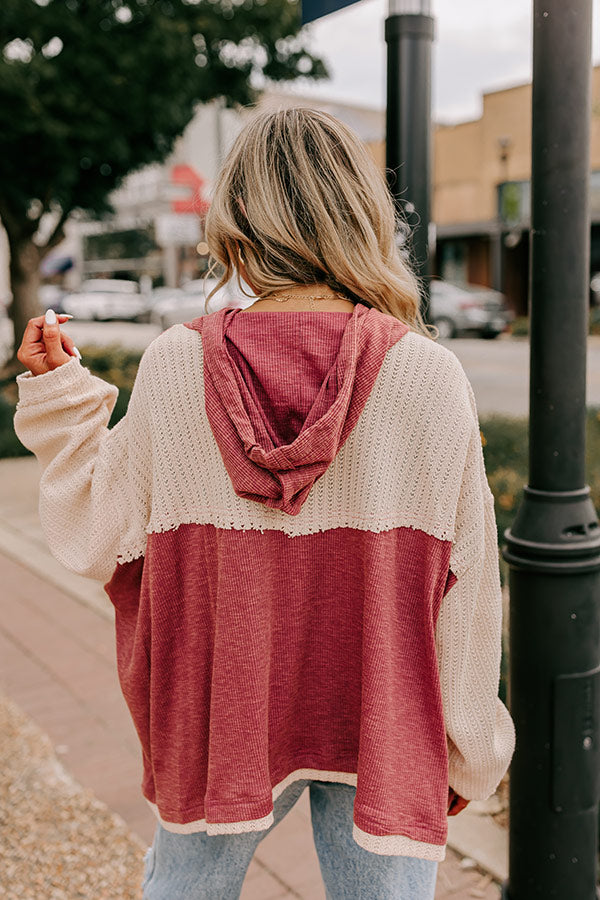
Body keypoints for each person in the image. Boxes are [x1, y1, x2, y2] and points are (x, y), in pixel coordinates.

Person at [13, 107, 515, 900]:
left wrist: (61, 397)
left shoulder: (178, 366)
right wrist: (469, 751)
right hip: (384, 715)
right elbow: (470, 594)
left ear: (237, 220)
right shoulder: (428, 376)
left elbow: (97, 536)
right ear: (361, 213)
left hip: (225, 718)